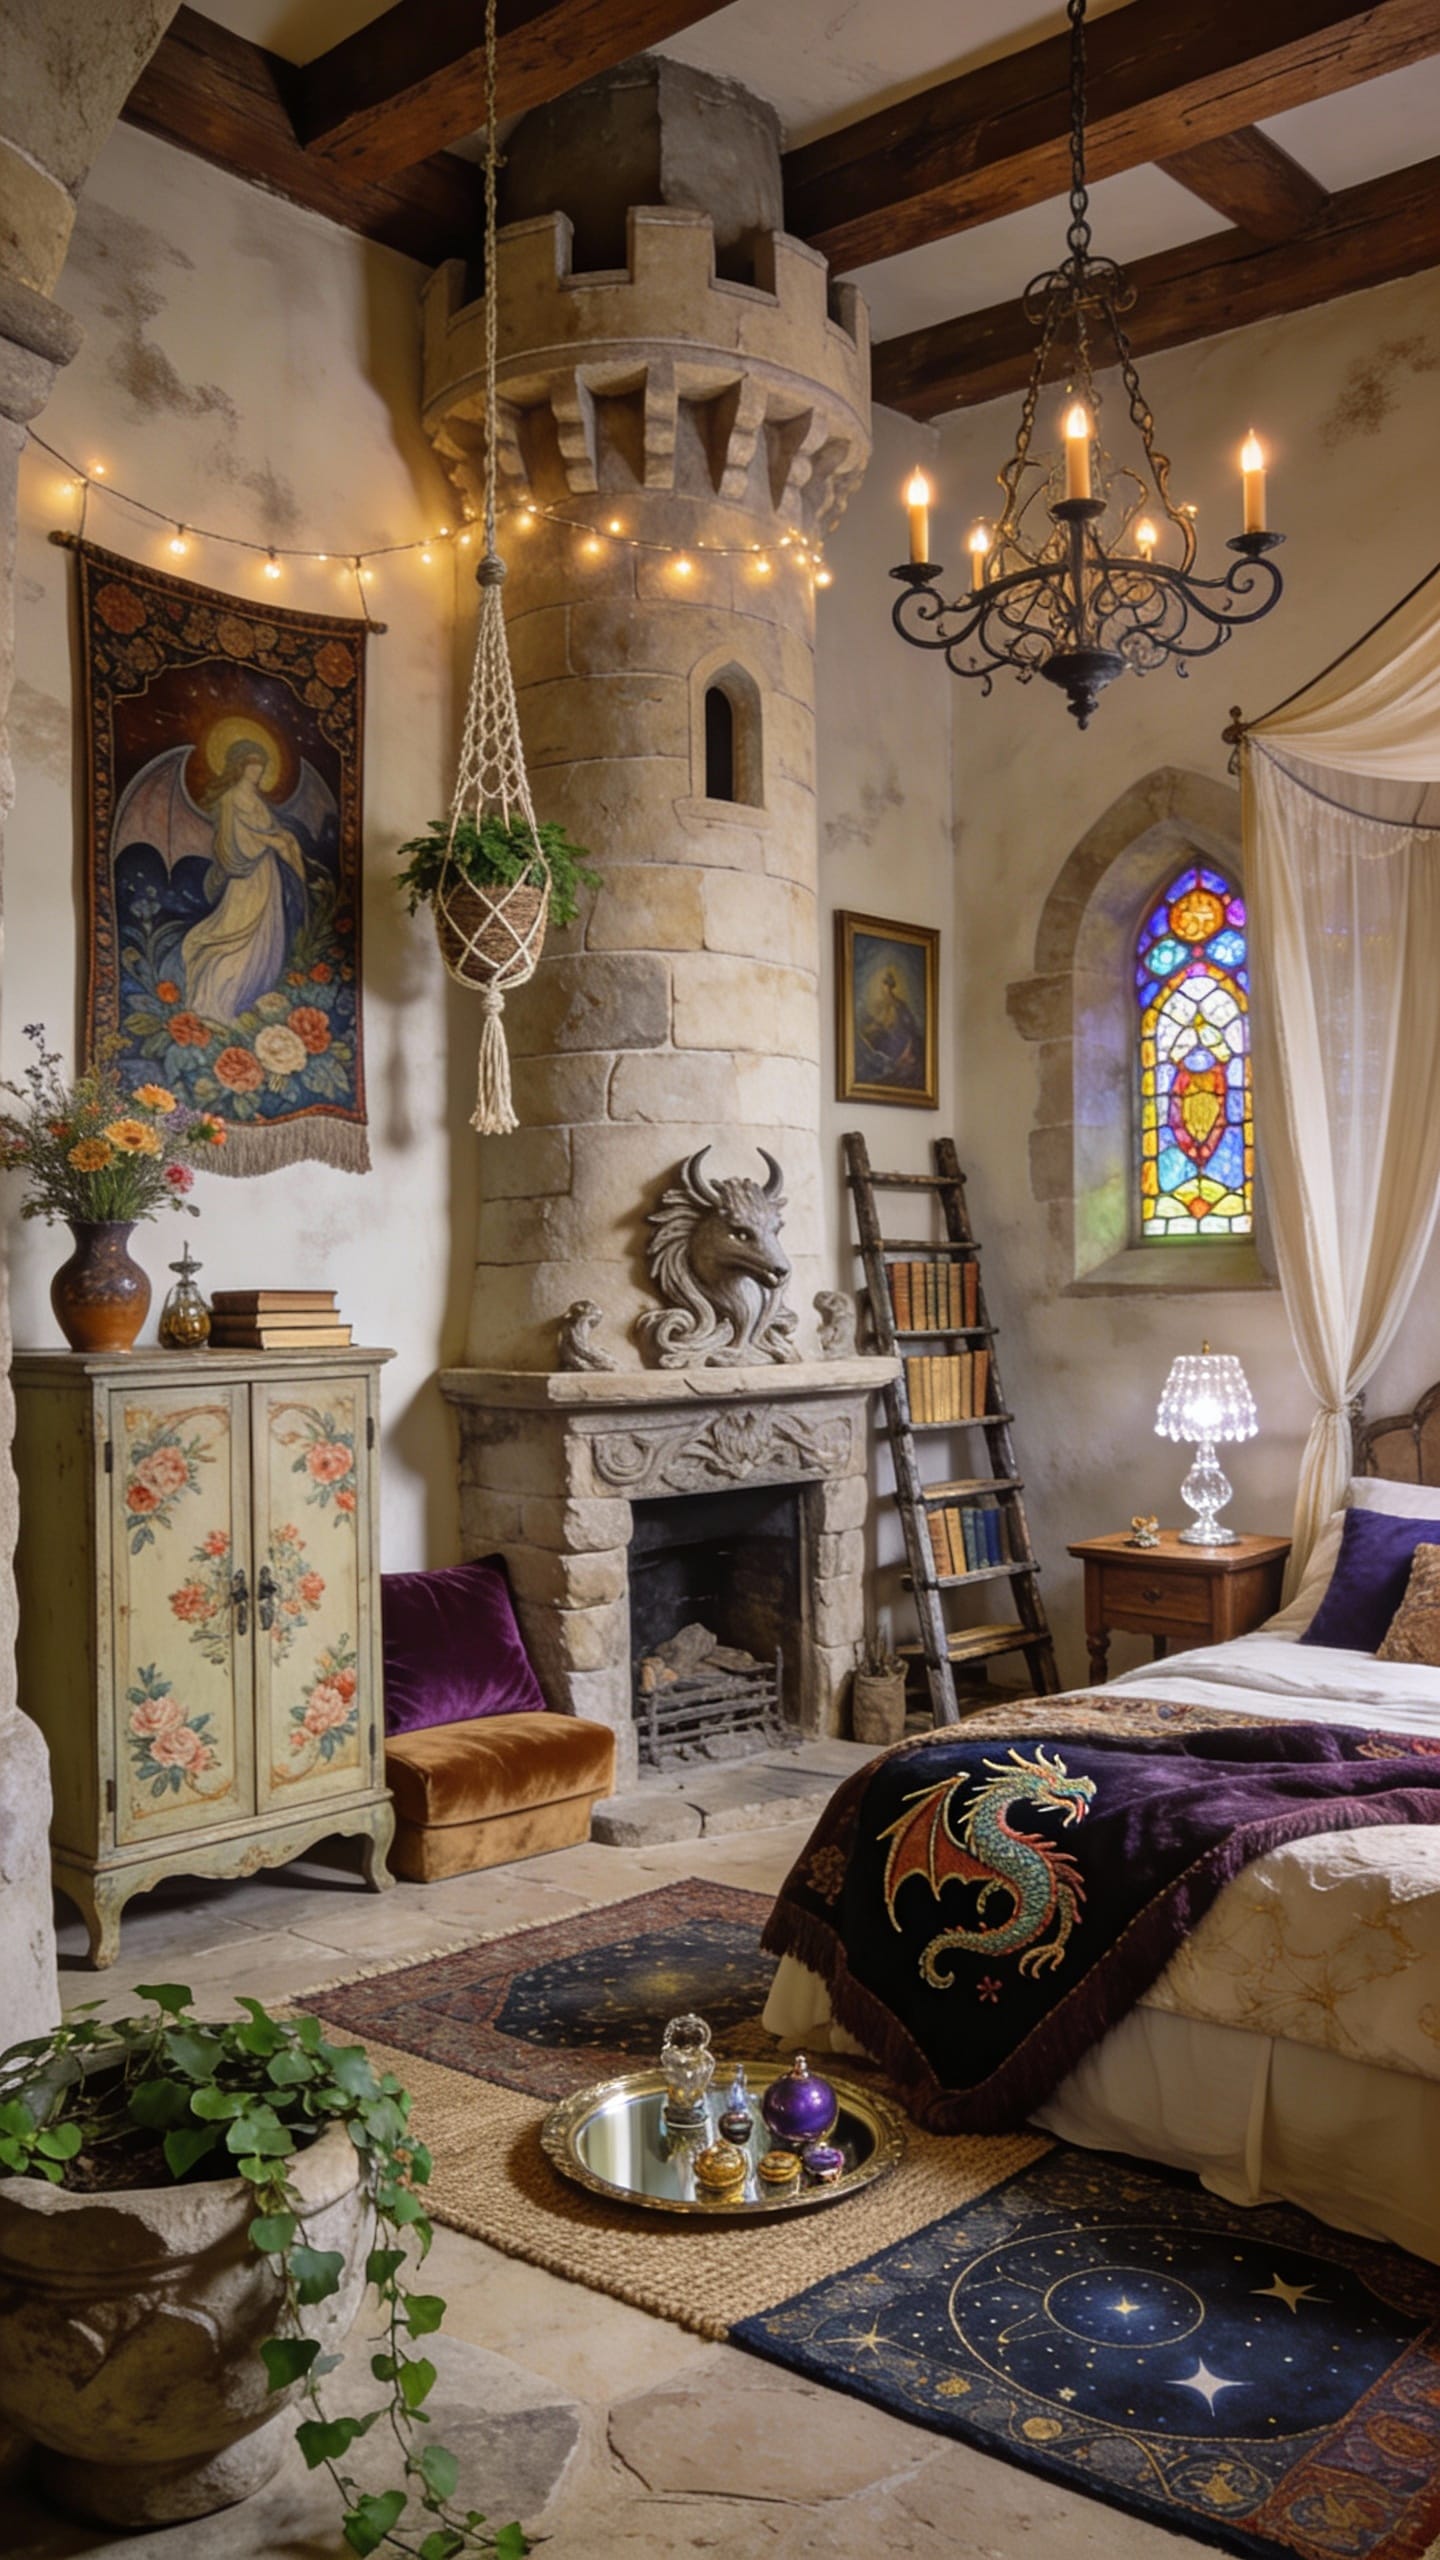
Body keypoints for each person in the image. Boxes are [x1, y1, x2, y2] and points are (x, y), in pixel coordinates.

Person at [181, 742, 306, 1024]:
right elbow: (232, 841)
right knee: (235, 935)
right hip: (246, 876)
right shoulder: (230, 799)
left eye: (261, 765)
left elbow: (271, 831)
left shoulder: (259, 801)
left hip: (267, 874)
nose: (257, 770)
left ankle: (246, 1003)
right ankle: (216, 1004)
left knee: (266, 937)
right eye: (252, 764)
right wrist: (268, 841)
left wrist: (283, 840)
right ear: (239, 766)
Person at [857, 961, 923, 1088]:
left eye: (887, 986)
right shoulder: (881, 1006)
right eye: (883, 985)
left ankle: (894, 1061)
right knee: (872, 1037)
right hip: (888, 1036)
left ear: (890, 987)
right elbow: (880, 1023)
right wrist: (875, 1027)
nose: (884, 989)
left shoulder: (899, 1005)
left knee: (884, 1038)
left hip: (900, 1039)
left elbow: (907, 1027)